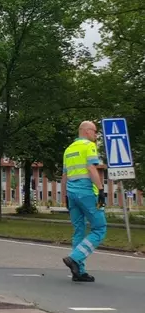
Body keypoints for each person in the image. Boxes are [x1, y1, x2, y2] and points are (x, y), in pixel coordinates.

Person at [61, 120, 106, 282]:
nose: (96, 135)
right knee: (99, 228)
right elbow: (91, 168)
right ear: (87, 131)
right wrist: (101, 189)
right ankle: (75, 258)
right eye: (94, 131)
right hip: (87, 192)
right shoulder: (88, 146)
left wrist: (65, 195)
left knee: (78, 230)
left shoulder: (68, 150)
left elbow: (65, 175)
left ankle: (78, 271)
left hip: (72, 195)